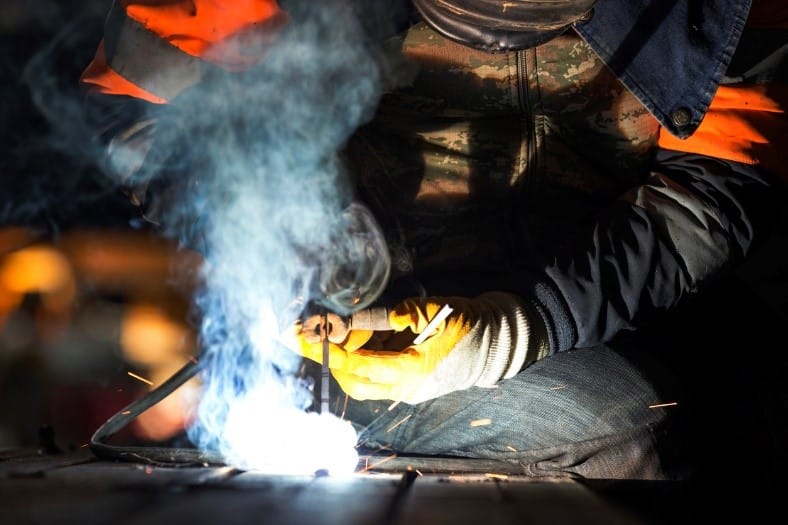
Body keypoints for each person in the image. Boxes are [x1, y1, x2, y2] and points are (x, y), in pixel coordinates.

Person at [79, 0, 787, 480]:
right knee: (621, 431)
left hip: (610, 302)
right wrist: (263, 210)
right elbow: (144, 116)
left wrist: (526, 324)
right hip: (363, 356)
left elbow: (717, 185)